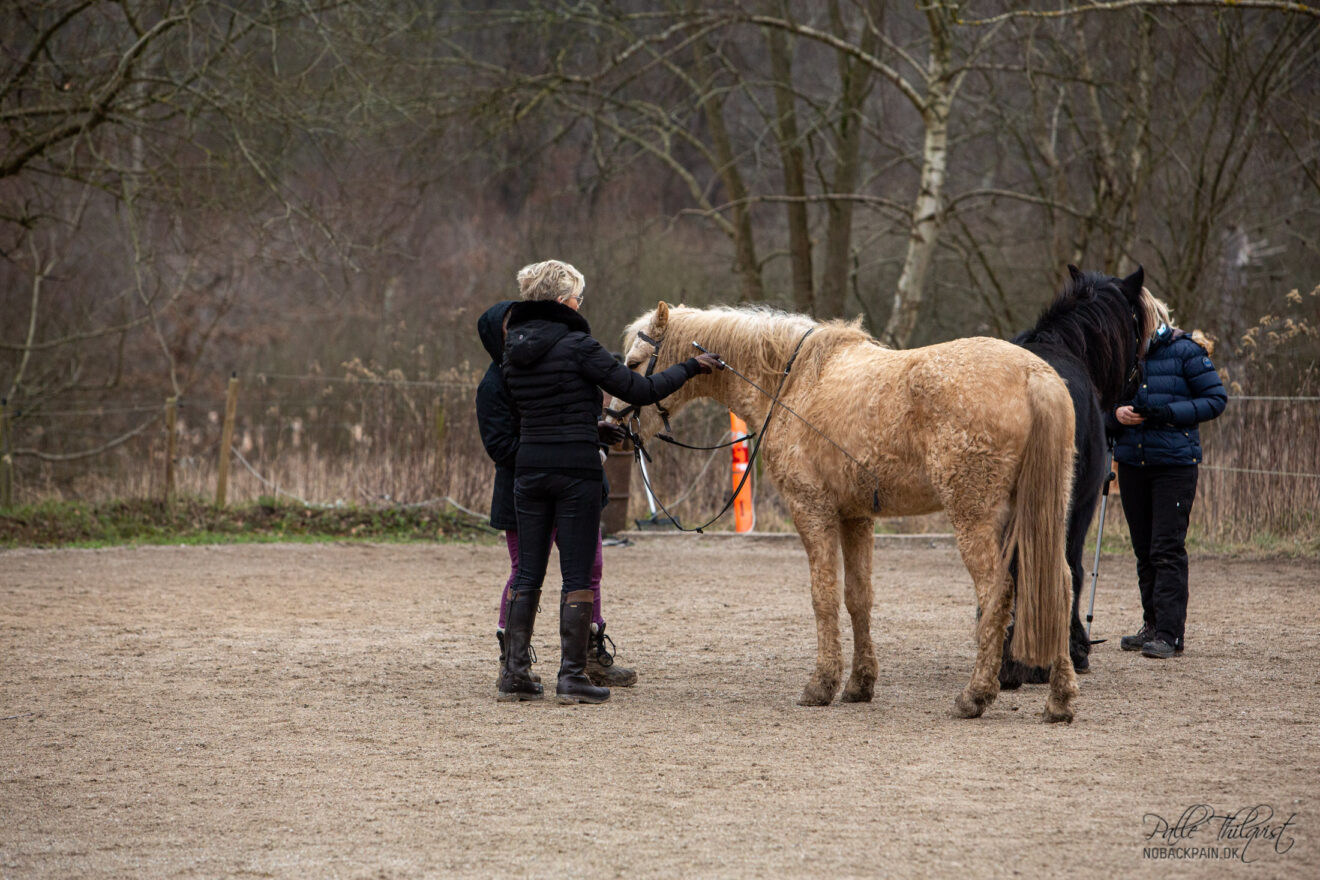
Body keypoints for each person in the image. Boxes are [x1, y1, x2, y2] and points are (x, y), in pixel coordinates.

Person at [498, 259, 720, 704]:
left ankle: (515, 676)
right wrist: (693, 367)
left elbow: (535, 412)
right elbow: (639, 390)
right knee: (577, 574)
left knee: (527, 573)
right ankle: (572, 676)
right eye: (578, 296)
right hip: (575, 472)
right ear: (563, 300)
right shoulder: (579, 345)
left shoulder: (512, 349)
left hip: (529, 470)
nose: (581, 303)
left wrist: (587, 425)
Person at [474, 300, 636, 691]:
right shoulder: (495, 382)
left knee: (588, 567)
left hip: (562, 481)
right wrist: (553, 450)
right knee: (524, 573)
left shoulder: (547, 362)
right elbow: (501, 445)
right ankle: (511, 660)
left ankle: (590, 654)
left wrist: (585, 431)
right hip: (527, 490)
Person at [1110, 295, 1227, 660]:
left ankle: (1170, 633)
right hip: (1132, 463)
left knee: (1166, 548)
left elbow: (1215, 399)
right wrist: (1116, 415)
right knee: (1143, 550)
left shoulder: (1187, 351)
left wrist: (1167, 413)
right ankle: (1151, 624)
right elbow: (1101, 407)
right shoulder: (1122, 357)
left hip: (1174, 465)